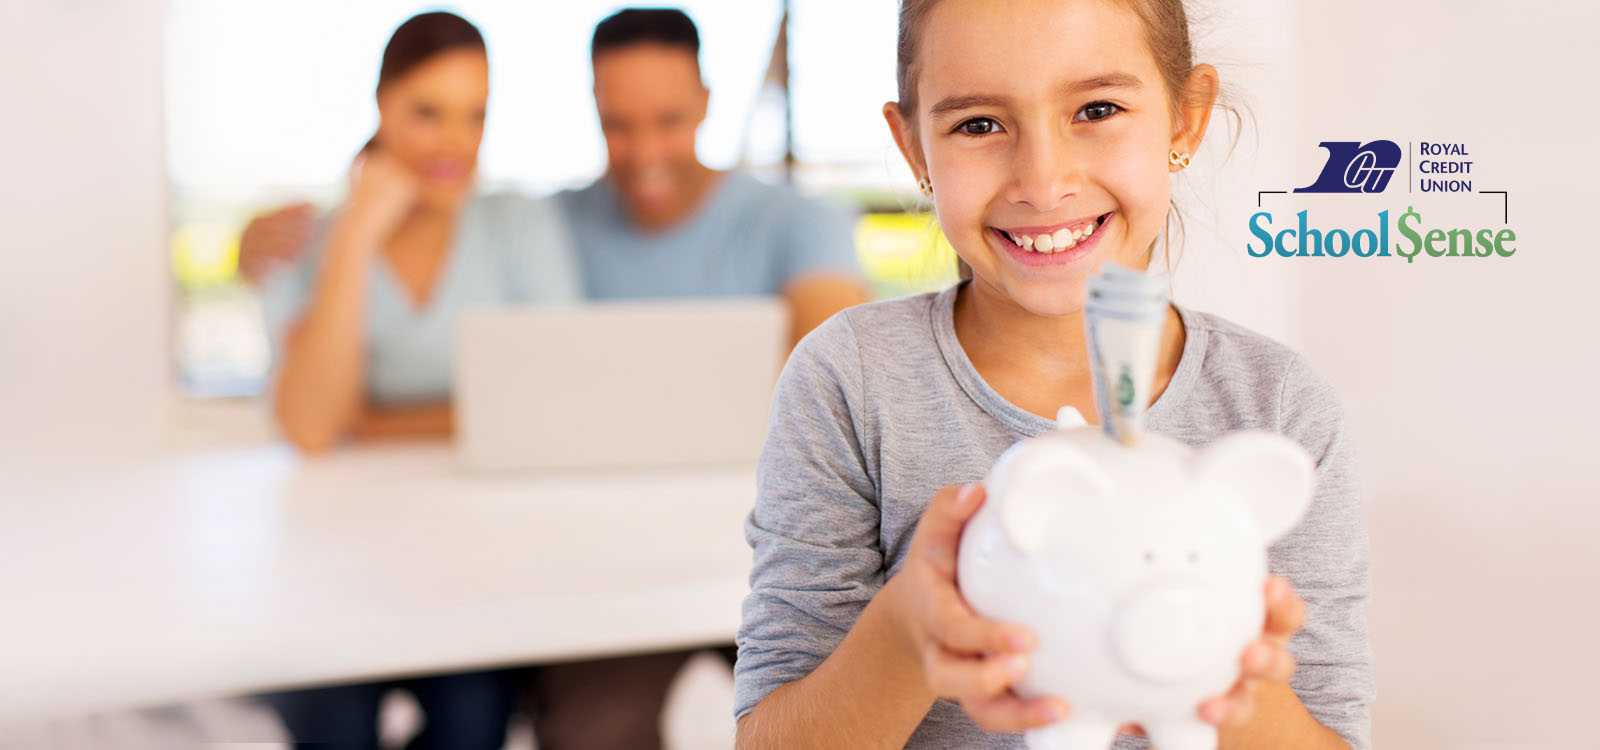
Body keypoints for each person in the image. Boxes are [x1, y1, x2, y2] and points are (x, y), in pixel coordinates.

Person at [734, 0, 1373, 748]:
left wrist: (1225, 665)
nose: (1042, 181)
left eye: (1097, 109)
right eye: (978, 124)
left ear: (1184, 119)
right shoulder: (851, 382)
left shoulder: (1278, 410)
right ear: (914, 149)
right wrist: (911, 630)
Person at [258, 12, 578, 749]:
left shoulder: (518, 226)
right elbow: (310, 427)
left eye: (475, 116)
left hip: (475, 565)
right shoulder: (313, 240)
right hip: (334, 562)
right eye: (427, 113)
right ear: (381, 107)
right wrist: (356, 236)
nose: (453, 144)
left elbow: (551, 398)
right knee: (333, 723)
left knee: (472, 719)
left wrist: (367, 424)